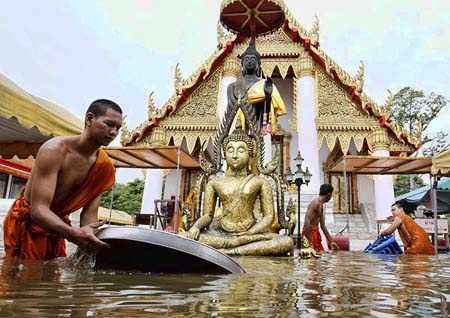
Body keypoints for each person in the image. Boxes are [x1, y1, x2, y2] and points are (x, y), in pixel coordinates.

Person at [3, 99, 123, 260]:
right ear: (89, 119)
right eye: (109, 124)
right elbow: (38, 210)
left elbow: (89, 215)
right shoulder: (54, 150)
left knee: (51, 280)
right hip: (28, 224)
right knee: (22, 280)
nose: (114, 132)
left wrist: (89, 240)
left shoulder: (104, 166)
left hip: (57, 227)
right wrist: (72, 233)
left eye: (118, 128)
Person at [181, 124, 293, 256]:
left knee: (286, 242)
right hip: (221, 234)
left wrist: (250, 233)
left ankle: (229, 251)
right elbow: (208, 215)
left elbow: (269, 217)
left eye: (240, 150)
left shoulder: (259, 182)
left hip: (250, 234)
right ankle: (234, 249)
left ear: (250, 155)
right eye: (230, 150)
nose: (234, 155)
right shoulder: (214, 183)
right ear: (224, 154)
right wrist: (196, 227)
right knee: (183, 237)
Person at [227, 40, 286, 134]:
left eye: (253, 59)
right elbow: (230, 113)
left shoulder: (266, 85)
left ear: (259, 65)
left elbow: (269, 108)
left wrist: (267, 96)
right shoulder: (232, 87)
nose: (249, 61)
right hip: (237, 133)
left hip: (257, 129)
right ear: (242, 65)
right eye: (246, 59)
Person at [302, 184, 339, 252]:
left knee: (318, 257)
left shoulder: (321, 205)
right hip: (310, 234)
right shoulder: (315, 204)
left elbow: (323, 226)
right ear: (329, 194)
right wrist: (309, 243)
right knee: (311, 260)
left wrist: (331, 241)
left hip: (316, 234)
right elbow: (307, 222)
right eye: (331, 195)